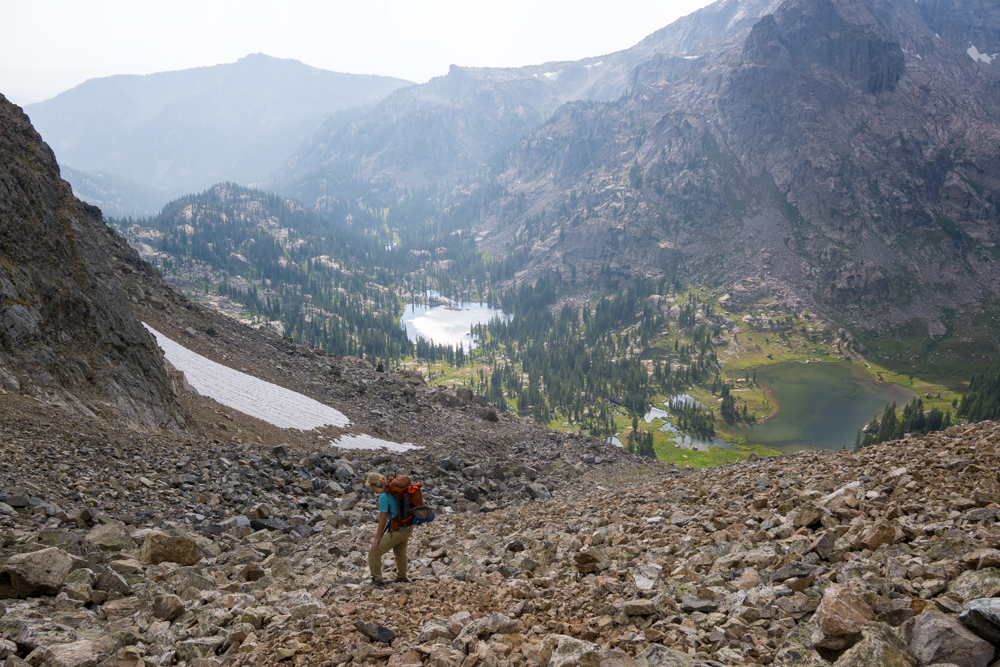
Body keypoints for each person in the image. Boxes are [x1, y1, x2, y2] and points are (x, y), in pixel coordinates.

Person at [365, 471, 412, 587]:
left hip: (398, 530)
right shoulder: (392, 491)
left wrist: (377, 539)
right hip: (407, 528)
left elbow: (382, 520)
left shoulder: (383, 496)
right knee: (400, 553)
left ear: (371, 485)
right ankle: (402, 577)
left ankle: (377, 580)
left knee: (374, 552)